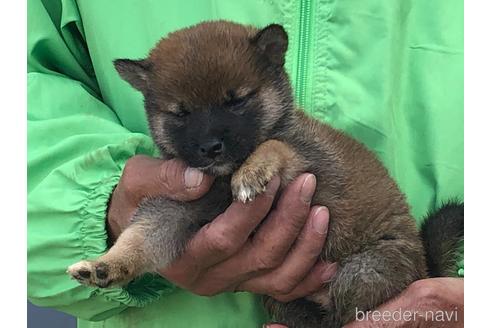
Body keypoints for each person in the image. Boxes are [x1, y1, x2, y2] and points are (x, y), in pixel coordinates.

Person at [27, 0, 464, 327]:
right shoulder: (186, 172)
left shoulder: (282, 144)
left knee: (363, 280)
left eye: (236, 103)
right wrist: (104, 215)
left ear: (274, 67)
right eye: (180, 116)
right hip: (267, 304)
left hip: (371, 251)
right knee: (167, 214)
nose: (211, 138)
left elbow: (294, 162)